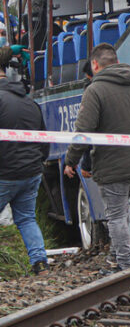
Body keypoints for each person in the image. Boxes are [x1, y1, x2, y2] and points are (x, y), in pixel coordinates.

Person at [63, 44, 130, 273]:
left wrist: (71, 161)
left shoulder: (95, 91)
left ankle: (123, 264)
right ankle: (118, 257)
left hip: (113, 164)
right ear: (116, 61)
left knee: (117, 214)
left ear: (95, 65)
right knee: (122, 209)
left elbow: (84, 131)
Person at [0, 59, 50, 274]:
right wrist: (38, 163)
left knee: (25, 217)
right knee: (26, 218)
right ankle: (39, 261)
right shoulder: (31, 103)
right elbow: (44, 140)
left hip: (5, 173)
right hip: (31, 171)